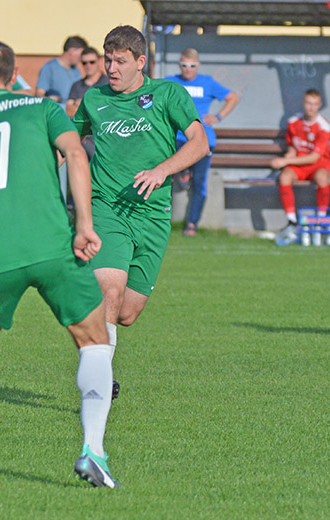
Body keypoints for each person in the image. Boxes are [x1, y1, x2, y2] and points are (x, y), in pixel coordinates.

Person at [0, 38, 119, 488]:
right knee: (93, 341)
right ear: (14, 75)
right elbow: (76, 153)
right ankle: (93, 451)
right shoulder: (42, 108)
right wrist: (84, 224)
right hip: (54, 245)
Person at [73, 26, 208, 391]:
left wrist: (162, 170)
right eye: (108, 60)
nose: (111, 68)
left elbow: (200, 143)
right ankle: (99, 381)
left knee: (127, 312)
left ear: (140, 62)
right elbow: (69, 143)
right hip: (107, 208)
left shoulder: (168, 94)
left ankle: (88, 322)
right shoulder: (94, 98)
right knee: (110, 292)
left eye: (120, 61)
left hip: (152, 216)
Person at [165, 48, 240, 236]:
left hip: (202, 140)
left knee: (200, 182)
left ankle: (192, 224)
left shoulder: (207, 82)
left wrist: (218, 117)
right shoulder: (171, 82)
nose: (188, 69)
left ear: (198, 65)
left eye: (192, 66)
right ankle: (182, 173)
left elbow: (232, 98)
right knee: (164, 173)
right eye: (184, 65)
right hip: (178, 138)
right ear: (179, 65)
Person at [271, 89, 330, 245]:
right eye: (308, 103)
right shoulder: (293, 122)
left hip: (317, 165)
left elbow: (314, 157)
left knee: (322, 177)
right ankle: (292, 222)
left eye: (315, 104)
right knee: (284, 176)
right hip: (299, 165)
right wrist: (287, 156)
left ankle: (320, 221)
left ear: (319, 105)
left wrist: (284, 162)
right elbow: (293, 146)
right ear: (303, 103)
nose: (311, 107)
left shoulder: (324, 126)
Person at [36, 36, 87, 105]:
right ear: (72, 51)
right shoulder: (49, 68)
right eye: (81, 54)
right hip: (56, 109)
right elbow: (39, 94)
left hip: (73, 110)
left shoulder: (76, 70)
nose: (82, 58)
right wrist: (50, 99)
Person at [66, 47, 108, 118]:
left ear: (99, 61)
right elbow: (69, 111)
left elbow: (109, 110)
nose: (88, 66)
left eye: (92, 62)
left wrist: (82, 103)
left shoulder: (108, 83)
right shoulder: (76, 85)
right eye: (84, 63)